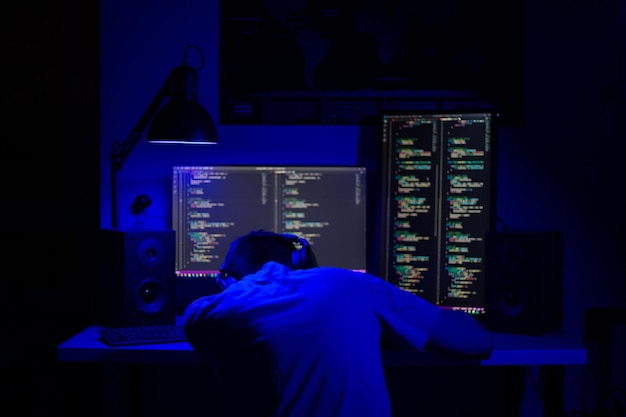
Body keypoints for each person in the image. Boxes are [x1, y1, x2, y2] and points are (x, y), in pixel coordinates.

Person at [183, 230, 493, 417]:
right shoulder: (349, 284)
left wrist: (229, 287)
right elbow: (477, 344)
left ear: (224, 276)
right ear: (301, 263)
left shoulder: (205, 312)